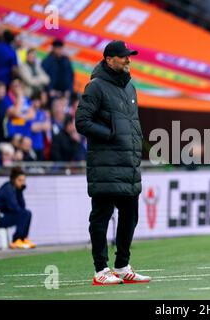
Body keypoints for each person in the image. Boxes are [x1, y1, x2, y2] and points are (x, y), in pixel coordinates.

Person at [75, 40, 151, 285]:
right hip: (105, 166)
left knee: (130, 217)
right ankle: (100, 270)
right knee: (101, 217)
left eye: (129, 56)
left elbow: (132, 125)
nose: (129, 60)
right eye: (123, 57)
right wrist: (110, 134)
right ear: (109, 60)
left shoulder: (130, 88)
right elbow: (82, 122)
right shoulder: (95, 87)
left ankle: (121, 266)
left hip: (128, 165)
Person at [0, 167, 36, 249]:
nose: (22, 183)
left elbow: (22, 206)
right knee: (24, 214)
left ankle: (22, 239)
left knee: (27, 213)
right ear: (14, 180)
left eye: (23, 181)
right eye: (20, 180)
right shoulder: (7, 189)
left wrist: (20, 191)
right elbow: (14, 208)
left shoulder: (16, 189)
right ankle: (16, 240)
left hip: (4, 215)